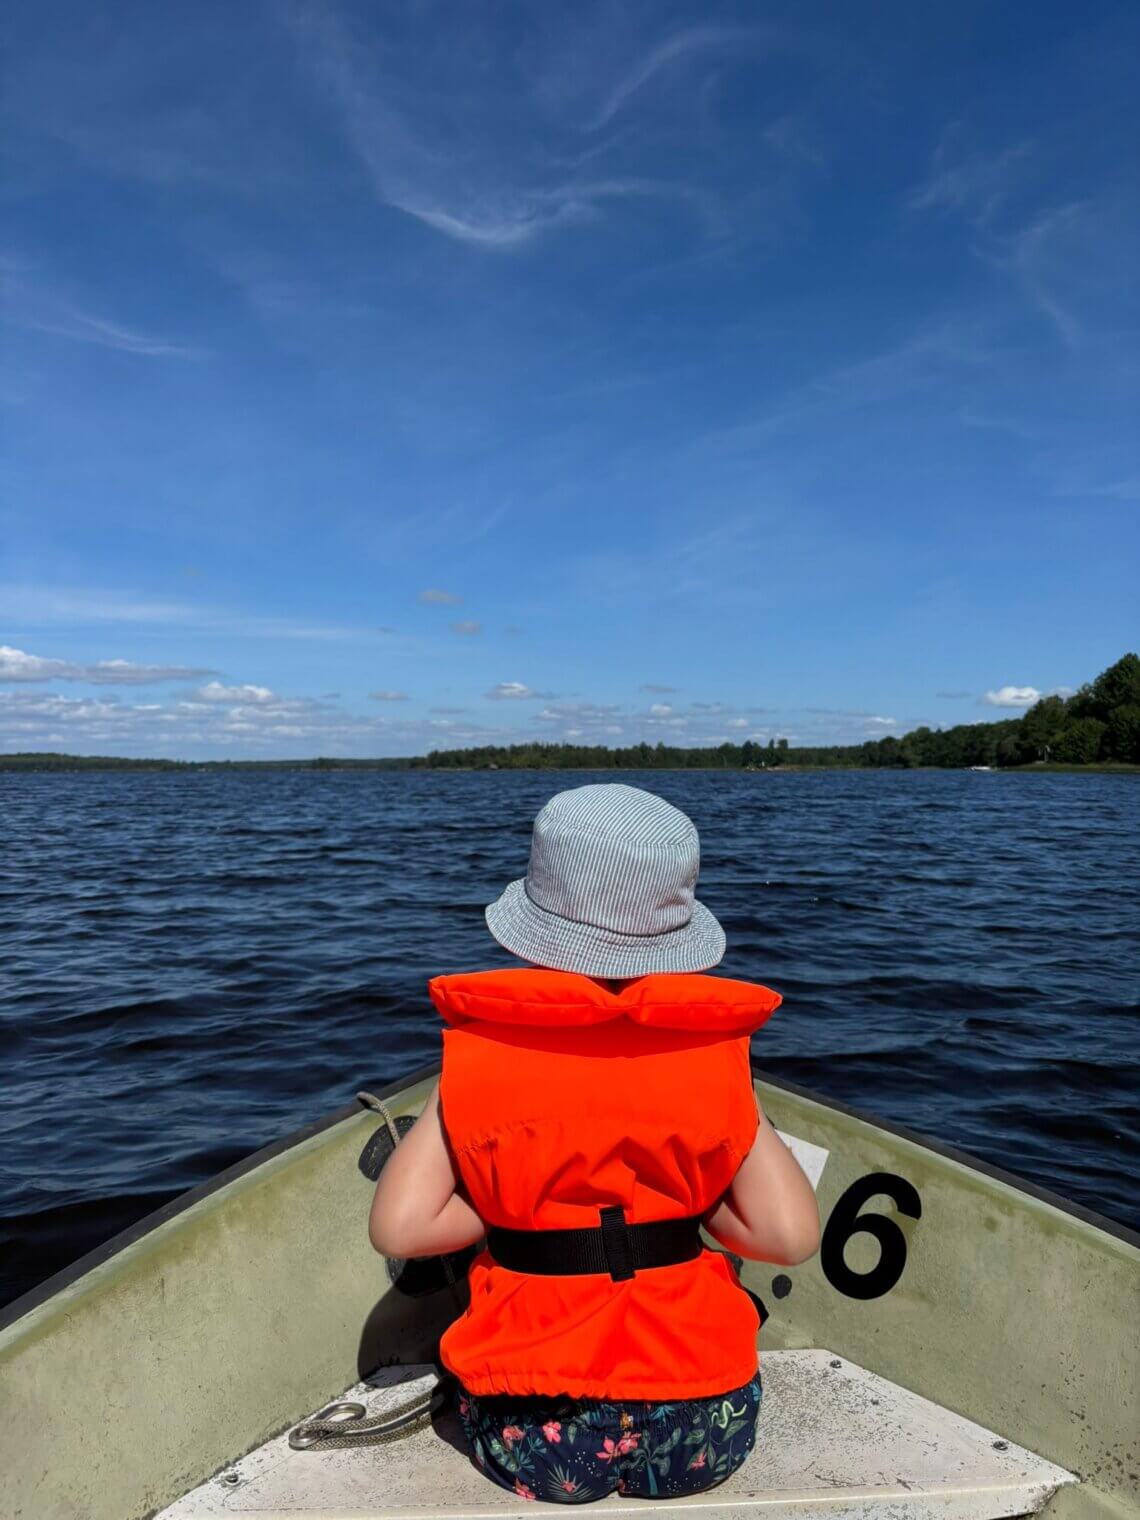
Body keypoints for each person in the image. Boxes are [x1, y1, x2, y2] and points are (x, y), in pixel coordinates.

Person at [370, 783, 820, 1502]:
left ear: (530, 929)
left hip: (537, 1430)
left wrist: (515, 1206)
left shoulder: (479, 1055)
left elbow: (400, 1224)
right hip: (704, 1426)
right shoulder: (716, 1060)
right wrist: (690, 1200)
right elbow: (789, 1233)